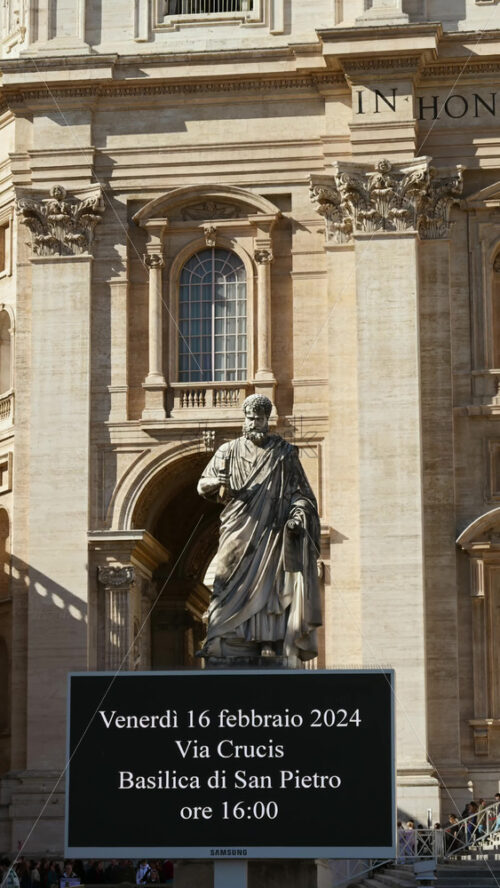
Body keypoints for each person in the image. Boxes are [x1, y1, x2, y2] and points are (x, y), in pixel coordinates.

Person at [197, 395, 321, 663]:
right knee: (225, 576)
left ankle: (268, 640)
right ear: (244, 420)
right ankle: (219, 635)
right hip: (238, 526)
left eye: (260, 418)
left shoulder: (285, 454)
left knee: (271, 585)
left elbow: (302, 493)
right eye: (251, 418)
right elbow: (202, 485)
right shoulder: (227, 451)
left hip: (273, 529)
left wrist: (298, 514)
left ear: (268, 420)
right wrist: (215, 482)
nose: (255, 422)